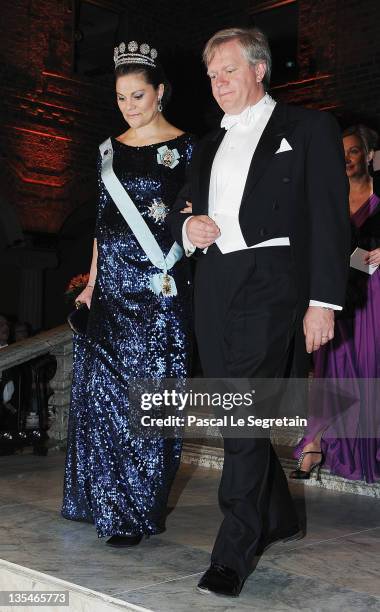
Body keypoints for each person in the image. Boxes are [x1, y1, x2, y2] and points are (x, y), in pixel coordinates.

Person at [167, 27, 350, 597]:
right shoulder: (206, 142)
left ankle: (234, 548)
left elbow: (329, 218)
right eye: (212, 75)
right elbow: (184, 207)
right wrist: (187, 226)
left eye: (228, 71)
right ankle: (276, 513)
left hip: (273, 279)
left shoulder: (309, 128)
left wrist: (324, 301)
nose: (218, 84)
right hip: (216, 280)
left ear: (259, 69)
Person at [62, 38, 195, 547]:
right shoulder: (106, 151)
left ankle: (138, 505)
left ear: (160, 92)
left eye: (137, 96)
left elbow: (194, 216)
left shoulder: (189, 148)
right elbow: (102, 224)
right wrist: (92, 284)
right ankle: (99, 498)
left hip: (160, 286)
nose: (129, 107)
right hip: (114, 287)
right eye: (121, 98)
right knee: (104, 398)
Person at [291, 124, 380, 484]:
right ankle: (314, 442)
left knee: (371, 364)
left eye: (354, 151)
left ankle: (367, 446)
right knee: (332, 365)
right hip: (337, 292)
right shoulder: (328, 196)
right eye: (341, 153)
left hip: (376, 294)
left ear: (369, 155)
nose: (346, 159)